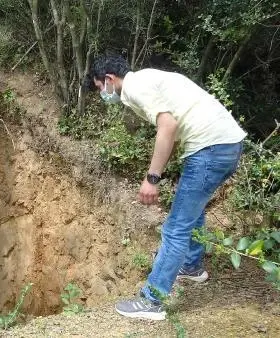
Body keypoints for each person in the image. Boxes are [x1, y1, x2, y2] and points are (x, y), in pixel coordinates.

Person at [87, 54, 247, 320]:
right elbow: (171, 132)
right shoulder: (148, 79)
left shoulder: (135, 87)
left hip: (211, 149)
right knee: (191, 214)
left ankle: (152, 301)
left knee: (175, 228)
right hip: (227, 146)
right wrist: (157, 174)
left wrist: (152, 179)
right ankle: (192, 267)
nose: (103, 94)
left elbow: (168, 126)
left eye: (99, 87)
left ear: (109, 79)